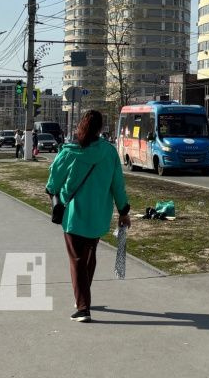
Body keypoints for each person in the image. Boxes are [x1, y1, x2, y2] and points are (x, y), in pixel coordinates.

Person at [46, 110, 130, 323]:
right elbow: (117, 185)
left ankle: (83, 307)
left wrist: (53, 192)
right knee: (89, 257)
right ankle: (83, 297)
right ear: (100, 129)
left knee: (77, 259)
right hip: (99, 215)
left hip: (74, 215)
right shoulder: (110, 153)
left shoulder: (70, 152)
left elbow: (53, 182)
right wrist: (123, 211)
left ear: (81, 126)